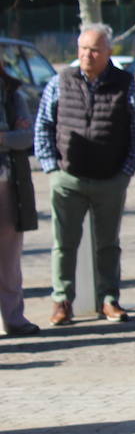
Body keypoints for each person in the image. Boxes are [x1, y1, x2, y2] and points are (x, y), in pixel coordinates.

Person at [35, 24, 135, 326]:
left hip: (110, 179)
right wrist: (50, 167)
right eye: (83, 49)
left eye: (95, 49)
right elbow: (43, 125)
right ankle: (62, 301)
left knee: (108, 244)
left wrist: (126, 172)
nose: (87, 55)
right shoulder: (60, 81)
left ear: (109, 52)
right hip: (68, 179)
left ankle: (109, 299)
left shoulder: (125, 83)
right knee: (64, 243)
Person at [0, 66, 37, 335]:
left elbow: (25, 137)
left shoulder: (12, 94)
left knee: (9, 258)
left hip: (8, 184)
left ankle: (13, 318)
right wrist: (9, 136)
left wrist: (6, 137)